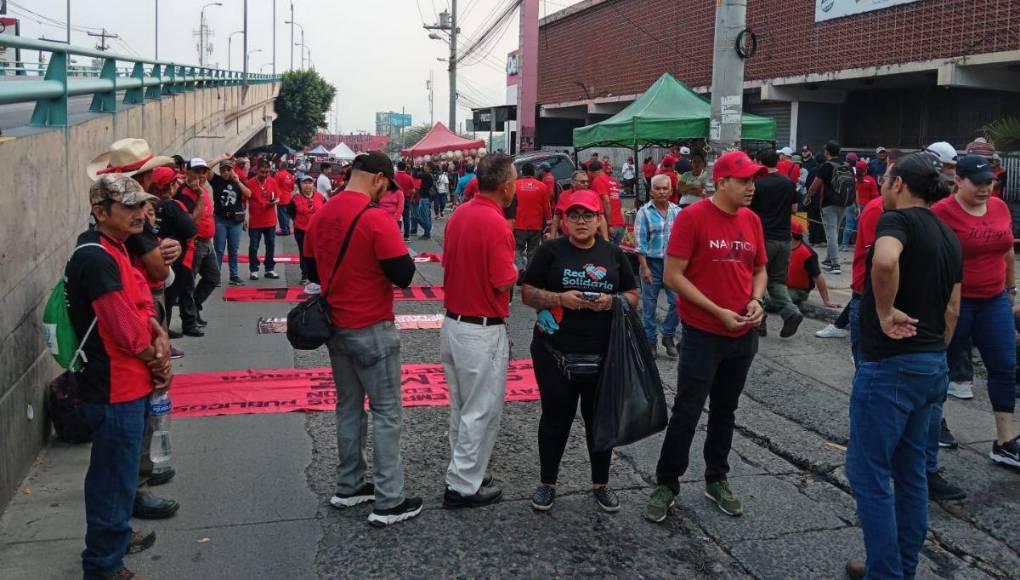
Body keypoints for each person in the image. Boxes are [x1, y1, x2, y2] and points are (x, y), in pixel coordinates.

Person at [844, 152, 963, 580]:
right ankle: (897, 567)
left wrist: (884, 309)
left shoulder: (896, 222)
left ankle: (886, 574)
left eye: (887, 178)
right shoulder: (949, 234)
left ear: (897, 185)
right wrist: (933, 353)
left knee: (868, 472)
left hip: (892, 367)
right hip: (931, 364)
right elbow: (952, 308)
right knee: (911, 474)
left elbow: (885, 260)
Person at [645, 151, 768, 523]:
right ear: (723, 182)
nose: (751, 187)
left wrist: (756, 299)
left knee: (726, 410)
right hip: (703, 333)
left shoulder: (752, 221)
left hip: (742, 336)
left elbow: (759, 268)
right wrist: (718, 312)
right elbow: (673, 276)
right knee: (687, 409)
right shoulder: (693, 217)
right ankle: (667, 482)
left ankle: (717, 477)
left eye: (753, 180)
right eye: (744, 181)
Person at [303, 151, 422, 526]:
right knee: (387, 412)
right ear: (377, 178)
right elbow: (403, 275)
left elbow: (310, 270)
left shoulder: (321, 214)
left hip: (335, 327)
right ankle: (388, 500)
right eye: (386, 186)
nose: (384, 193)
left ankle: (349, 484)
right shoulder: (375, 219)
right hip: (371, 327)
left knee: (348, 407)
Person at [69, 174, 172, 580]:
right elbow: (122, 328)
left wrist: (158, 328)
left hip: (129, 380)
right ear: (100, 212)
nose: (140, 213)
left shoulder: (116, 248)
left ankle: (114, 537)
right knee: (113, 477)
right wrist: (156, 359)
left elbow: (142, 302)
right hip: (115, 385)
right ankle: (103, 565)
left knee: (120, 472)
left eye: (141, 205)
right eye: (129, 207)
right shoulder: (95, 257)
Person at [521, 189, 640, 513]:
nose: (581, 221)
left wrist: (609, 302)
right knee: (555, 418)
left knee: (598, 419)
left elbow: (632, 294)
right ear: (564, 220)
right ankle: (548, 483)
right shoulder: (549, 251)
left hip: (603, 353)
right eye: (573, 215)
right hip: (554, 351)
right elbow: (528, 294)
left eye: (588, 215)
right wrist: (560, 299)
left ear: (599, 218)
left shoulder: (613, 254)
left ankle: (600, 484)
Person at [440, 153, 518, 509]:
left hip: (454, 323)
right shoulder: (496, 223)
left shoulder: (460, 214)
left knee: (462, 407)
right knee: (480, 410)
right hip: (480, 328)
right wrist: (519, 274)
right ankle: (462, 485)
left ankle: (465, 471)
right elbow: (503, 280)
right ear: (505, 187)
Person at [933, 155, 1019, 468]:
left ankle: (1004, 441)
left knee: (1004, 366)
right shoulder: (941, 212)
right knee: (938, 365)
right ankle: (934, 423)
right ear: (958, 180)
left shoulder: (999, 207)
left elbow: (1007, 249)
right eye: (978, 182)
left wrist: (1011, 291)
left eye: (989, 182)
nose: (985, 188)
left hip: (993, 299)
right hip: (956, 302)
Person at [750, 149, 803, 338]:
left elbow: (748, 211)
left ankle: (759, 320)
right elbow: (795, 208)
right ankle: (790, 311)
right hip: (785, 239)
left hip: (763, 237)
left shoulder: (757, 184)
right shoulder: (788, 183)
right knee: (777, 280)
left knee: (755, 278)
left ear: (759, 161)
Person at [634, 174, 681, 357]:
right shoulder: (644, 212)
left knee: (677, 302)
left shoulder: (678, 212)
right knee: (649, 305)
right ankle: (650, 340)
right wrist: (644, 268)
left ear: (671, 191)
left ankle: (668, 335)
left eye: (665, 188)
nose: (661, 192)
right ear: (652, 191)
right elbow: (640, 244)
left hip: (672, 264)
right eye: (658, 189)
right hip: (651, 263)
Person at [177, 158, 223, 328]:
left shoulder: (203, 189)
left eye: (203, 171)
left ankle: (194, 307)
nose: (201, 175)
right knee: (188, 283)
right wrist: (198, 197)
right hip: (193, 243)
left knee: (213, 277)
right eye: (196, 171)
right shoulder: (184, 193)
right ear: (187, 172)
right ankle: (188, 321)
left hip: (207, 242)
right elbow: (190, 222)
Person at [806, 140, 851, 274]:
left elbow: (816, 184)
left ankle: (835, 265)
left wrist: (808, 196)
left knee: (830, 233)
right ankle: (829, 259)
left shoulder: (826, 166)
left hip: (829, 203)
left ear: (827, 152)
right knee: (835, 231)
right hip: (844, 202)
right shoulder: (846, 165)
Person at [210, 160, 252, 286]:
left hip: (235, 221)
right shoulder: (216, 180)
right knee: (219, 249)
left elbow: (249, 194)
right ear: (220, 171)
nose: (226, 172)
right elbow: (206, 168)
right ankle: (216, 277)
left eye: (228, 169)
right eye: (223, 170)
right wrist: (221, 157)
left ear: (232, 170)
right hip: (220, 220)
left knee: (233, 250)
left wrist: (238, 181)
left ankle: (234, 275)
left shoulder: (237, 180)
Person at [785, 219, 840, 308]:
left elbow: (818, 277)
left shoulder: (807, 254)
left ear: (790, 235)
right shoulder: (785, 247)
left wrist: (827, 301)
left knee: (773, 301)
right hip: (783, 286)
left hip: (798, 291)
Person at [287, 174, 327, 286]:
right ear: (300, 185)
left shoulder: (320, 197)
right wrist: (297, 222)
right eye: (305, 183)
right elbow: (290, 212)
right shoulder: (296, 198)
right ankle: (305, 275)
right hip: (301, 230)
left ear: (313, 184)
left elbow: (325, 212)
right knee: (304, 253)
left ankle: (317, 276)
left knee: (317, 253)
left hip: (317, 231)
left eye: (310, 183)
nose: (307, 185)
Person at [513, 162, 551, 275]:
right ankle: (529, 273)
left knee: (517, 248)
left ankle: (520, 270)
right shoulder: (542, 186)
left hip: (518, 223)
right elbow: (546, 206)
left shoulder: (515, 185)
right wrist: (549, 221)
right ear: (533, 173)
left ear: (521, 172)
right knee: (533, 250)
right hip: (536, 224)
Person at [247, 159, 281, 280]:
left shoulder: (272, 181)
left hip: (270, 220)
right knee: (254, 246)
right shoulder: (250, 183)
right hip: (255, 221)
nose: (265, 174)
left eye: (267, 172)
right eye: (262, 172)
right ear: (257, 171)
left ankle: (269, 269)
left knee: (271, 245)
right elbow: (244, 200)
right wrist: (244, 219)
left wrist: (275, 201)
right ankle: (254, 269)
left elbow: (278, 197)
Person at [589, 160, 625, 244]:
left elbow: (606, 201)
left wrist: (609, 225)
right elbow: (618, 202)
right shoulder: (613, 181)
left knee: (605, 254)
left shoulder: (597, 180)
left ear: (591, 172)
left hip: (609, 226)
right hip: (620, 225)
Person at [395, 161, 418, 240]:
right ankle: (406, 236)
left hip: (395, 199)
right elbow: (413, 190)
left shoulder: (394, 176)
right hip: (406, 198)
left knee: (396, 216)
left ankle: (396, 234)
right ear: (405, 168)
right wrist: (411, 197)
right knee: (406, 217)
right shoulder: (408, 177)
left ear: (397, 167)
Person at [274, 162, 295, 236]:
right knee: (287, 215)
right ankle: (287, 229)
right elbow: (292, 188)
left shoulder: (278, 174)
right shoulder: (290, 175)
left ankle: (284, 230)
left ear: (280, 166)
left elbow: (275, 187)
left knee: (282, 215)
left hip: (281, 198)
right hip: (289, 197)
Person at [415, 163, 435, 240]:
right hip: (427, 198)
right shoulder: (430, 175)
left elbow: (415, 175)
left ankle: (427, 231)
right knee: (426, 215)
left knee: (421, 216)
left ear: (429, 168)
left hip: (425, 198)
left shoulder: (427, 175)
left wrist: (416, 167)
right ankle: (427, 231)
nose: (424, 167)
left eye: (426, 166)